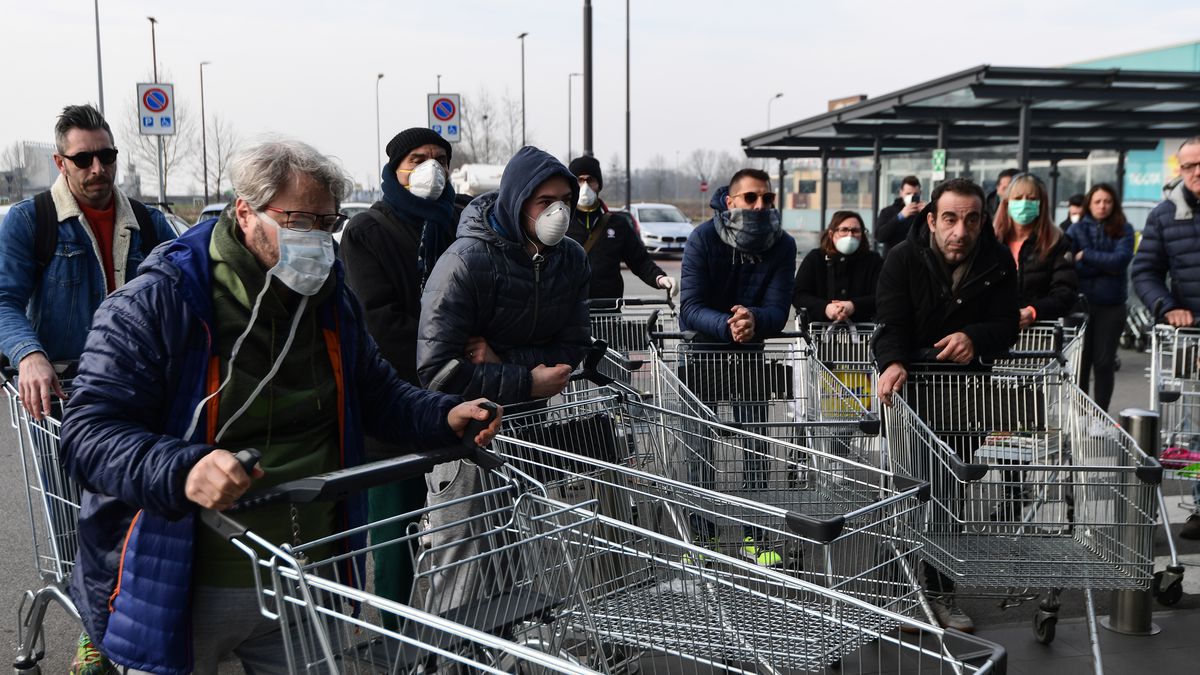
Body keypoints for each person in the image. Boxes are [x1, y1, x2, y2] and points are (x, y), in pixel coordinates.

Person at [58, 139, 501, 675]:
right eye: (298, 219)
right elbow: (86, 436)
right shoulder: (159, 300)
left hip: (308, 572)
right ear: (245, 213)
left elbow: (377, 394)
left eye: (326, 222)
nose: (315, 237)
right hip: (184, 577)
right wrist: (183, 467)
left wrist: (442, 415)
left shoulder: (330, 299)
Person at [873, 177, 1020, 633]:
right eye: (951, 219)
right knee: (908, 493)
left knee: (948, 494)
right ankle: (900, 595)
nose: (961, 230)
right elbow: (890, 322)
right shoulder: (902, 258)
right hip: (912, 391)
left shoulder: (996, 262)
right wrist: (893, 361)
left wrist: (973, 337)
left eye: (971, 219)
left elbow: (1006, 325)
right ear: (932, 220)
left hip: (963, 397)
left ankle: (941, 592)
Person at [337, 127, 458, 628]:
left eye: (439, 158)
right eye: (416, 159)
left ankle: (458, 628)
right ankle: (393, 630)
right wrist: (453, 352)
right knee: (395, 529)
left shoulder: (459, 221)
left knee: (463, 522)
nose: (429, 168)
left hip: (456, 392)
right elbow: (379, 321)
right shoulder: (370, 230)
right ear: (393, 168)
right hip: (395, 397)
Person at [0, 104, 175, 421]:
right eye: (82, 159)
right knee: (64, 472)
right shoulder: (30, 221)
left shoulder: (149, 223)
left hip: (142, 386)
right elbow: (4, 299)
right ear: (60, 163)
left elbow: (184, 294)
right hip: (65, 395)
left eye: (106, 156)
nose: (97, 168)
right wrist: (29, 354)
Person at [679, 168, 796, 566]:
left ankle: (756, 536)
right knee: (700, 449)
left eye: (767, 199)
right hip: (703, 354)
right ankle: (703, 536)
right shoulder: (703, 238)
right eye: (751, 199)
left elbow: (779, 310)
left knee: (757, 447)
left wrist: (753, 321)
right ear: (730, 201)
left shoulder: (782, 244)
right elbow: (691, 307)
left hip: (750, 356)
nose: (760, 206)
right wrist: (731, 326)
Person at [417, 145, 591, 404]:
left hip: (531, 420)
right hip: (473, 424)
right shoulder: (463, 262)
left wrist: (505, 363)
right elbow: (438, 372)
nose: (559, 212)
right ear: (516, 203)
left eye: (565, 201)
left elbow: (574, 345)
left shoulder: (572, 259)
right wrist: (528, 381)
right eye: (545, 202)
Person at [1132, 136, 1200, 538]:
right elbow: (1145, 271)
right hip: (1192, 339)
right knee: (1193, 427)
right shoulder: (1165, 215)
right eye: (1188, 165)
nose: (1196, 172)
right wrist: (1166, 305)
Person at [566, 155, 676, 301]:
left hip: (609, 310)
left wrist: (660, 278)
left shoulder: (617, 224)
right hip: (570, 311)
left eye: (590, 180)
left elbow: (640, 261)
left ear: (599, 184)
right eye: (579, 180)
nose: (585, 186)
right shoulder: (562, 222)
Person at [1069, 183, 1134, 412]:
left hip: (1112, 306)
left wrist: (1086, 256)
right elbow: (1070, 266)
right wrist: (1103, 264)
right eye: (1097, 201)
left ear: (1114, 204)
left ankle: (1100, 414)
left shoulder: (1124, 229)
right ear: (1089, 203)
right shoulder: (1076, 230)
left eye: (1107, 201)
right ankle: (1080, 414)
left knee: (1104, 362)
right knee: (1081, 364)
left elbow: (1120, 262)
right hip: (1082, 305)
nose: (1102, 206)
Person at [993, 174, 1078, 327]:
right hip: (996, 330)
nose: (1024, 203)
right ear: (1006, 203)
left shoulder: (1056, 242)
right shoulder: (992, 242)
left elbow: (1065, 292)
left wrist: (1033, 311)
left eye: (1031, 199)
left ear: (1041, 204)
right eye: (1018, 198)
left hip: (1039, 335)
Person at [792, 210, 883, 323]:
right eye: (844, 230)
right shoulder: (815, 258)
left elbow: (882, 294)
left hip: (864, 331)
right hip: (819, 330)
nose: (850, 235)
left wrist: (854, 305)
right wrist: (825, 308)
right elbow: (798, 294)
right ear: (831, 234)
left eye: (855, 231)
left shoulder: (873, 261)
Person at [874, 175, 924, 256]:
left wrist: (924, 214)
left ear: (920, 194)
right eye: (908, 193)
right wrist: (900, 216)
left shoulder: (923, 212)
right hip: (892, 260)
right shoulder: (888, 211)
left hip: (916, 259)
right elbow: (879, 236)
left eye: (915, 194)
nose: (912, 196)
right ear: (901, 193)